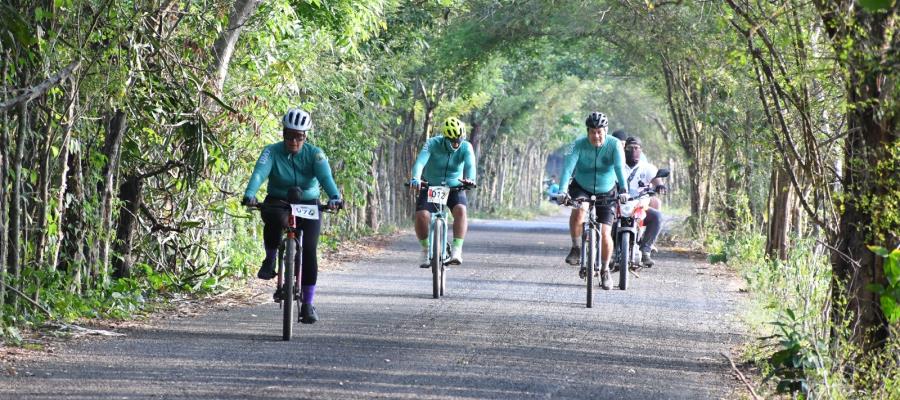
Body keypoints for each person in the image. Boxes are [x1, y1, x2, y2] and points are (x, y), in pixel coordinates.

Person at [242, 108, 343, 324]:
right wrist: (250, 194)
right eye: (289, 135)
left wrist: (334, 196)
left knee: (309, 252)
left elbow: (325, 177)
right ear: (283, 134)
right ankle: (270, 260)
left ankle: (307, 304)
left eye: (299, 137)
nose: (293, 141)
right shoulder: (271, 151)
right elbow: (259, 173)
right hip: (279, 200)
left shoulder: (315, 154)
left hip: (308, 202)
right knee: (272, 217)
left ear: (305, 137)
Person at [557, 112, 628, 290]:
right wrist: (561, 191)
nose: (596, 136)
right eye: (592, 132)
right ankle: (576, 247)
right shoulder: (576, 144)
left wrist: (624, 190)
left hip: (607, 190)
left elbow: (619, 168)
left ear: (606, 131)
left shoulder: (615, 145)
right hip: (581, 187)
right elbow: (567, 169)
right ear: (587, 132)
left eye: (600, 132)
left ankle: (605, 270)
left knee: (605, 232)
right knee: (580, 209)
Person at [409, 117, 477, 267]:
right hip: (431, 186)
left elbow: (470, 165)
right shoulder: (432, 143)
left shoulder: (466, 147)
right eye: (452, 141)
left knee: (460, 210)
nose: (456, 144)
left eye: (458, 140)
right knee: (422, 216)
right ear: (445, 138)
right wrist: (416, 178)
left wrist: (470, 179)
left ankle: (457, 250)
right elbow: (420, 162)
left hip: (454, 187)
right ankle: (426, 249)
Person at [622, 136, 666, 266]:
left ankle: (646, 250)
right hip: (619, 204)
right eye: (630, 148)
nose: (634, 151)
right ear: (624, 149)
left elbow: (656, 179)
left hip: (639, 206)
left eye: (637, 148)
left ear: (641, 150)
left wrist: (660, 185)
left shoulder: (647, 167)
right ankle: (610, 251)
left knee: (657, 216)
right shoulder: (618, 166)